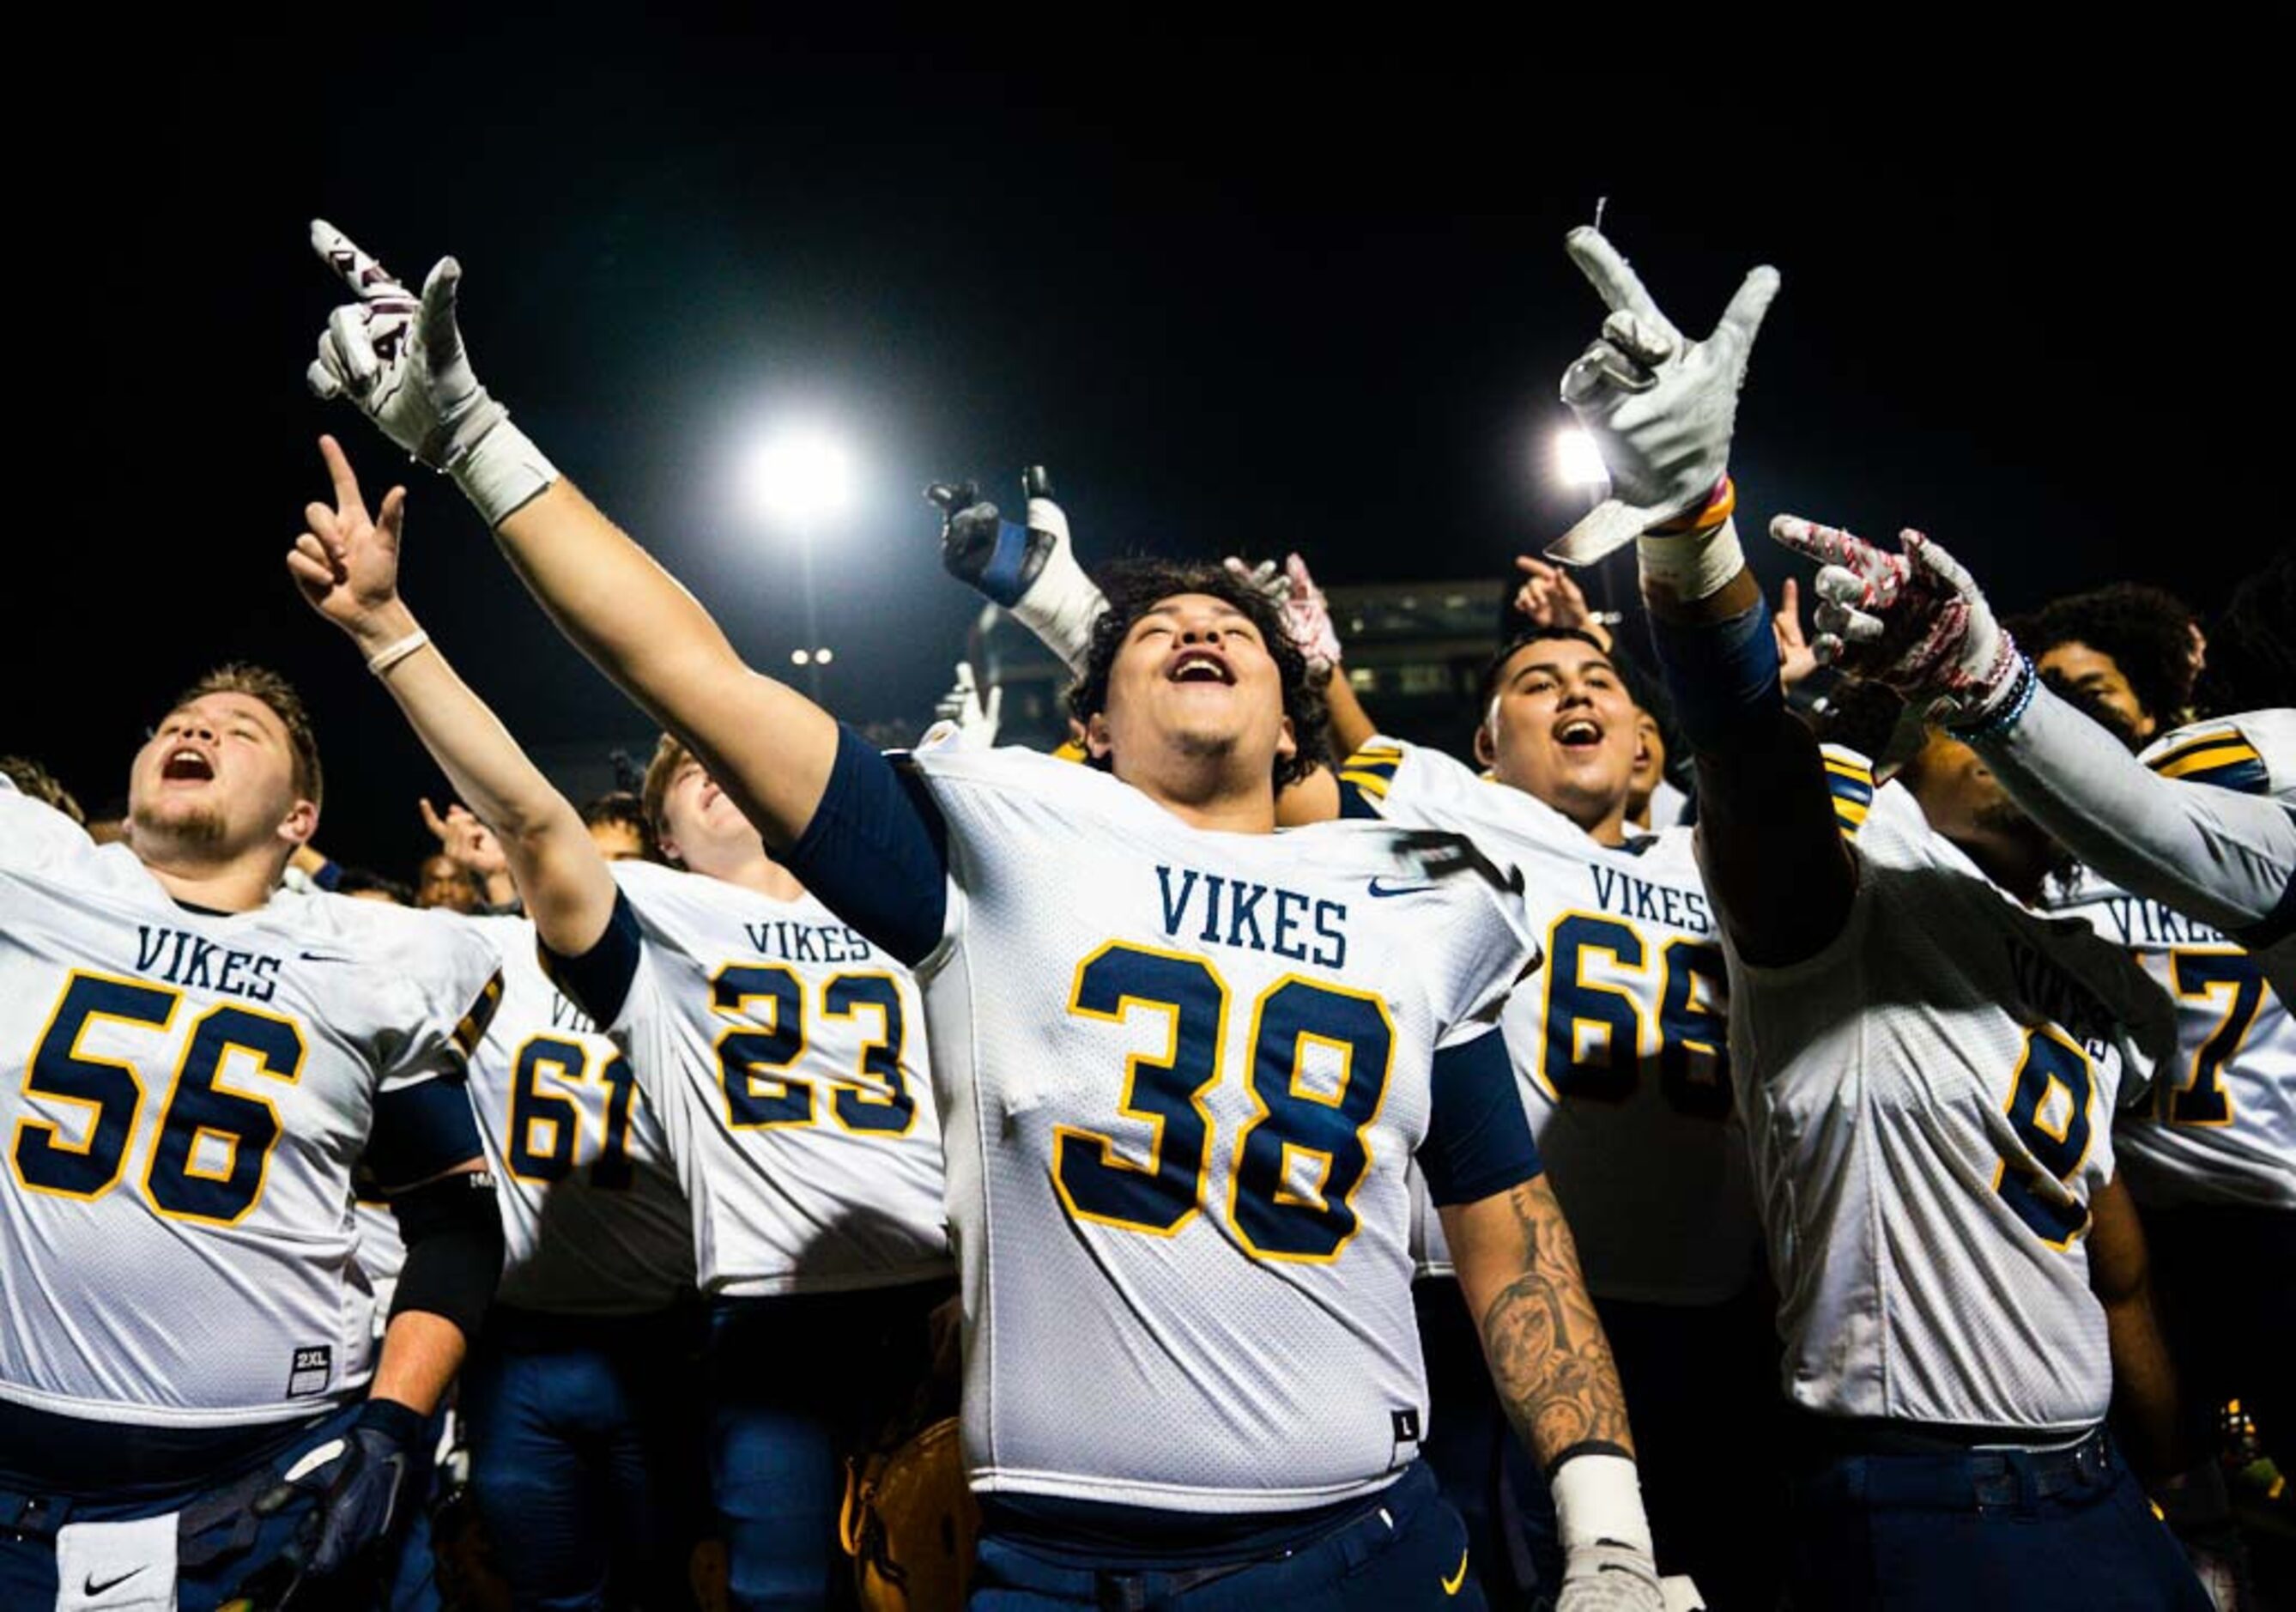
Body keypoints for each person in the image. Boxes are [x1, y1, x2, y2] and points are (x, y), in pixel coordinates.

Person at [306, 220, 1663, 1609]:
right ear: (1091, 713)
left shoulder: (1410, 893)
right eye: (1152, 628)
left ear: (1289, 703)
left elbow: (1512, 1228)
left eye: (1236, 628)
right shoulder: (1003, 837)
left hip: (1377, 1537)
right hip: (1068, 1564)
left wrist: (1607, 1521)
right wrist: (472, 435)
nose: (1200, 627)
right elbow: (685, 666)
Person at [1554, 221, 2208, 1608]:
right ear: (1913, 745)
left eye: (2091, 730)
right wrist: (1687, 515)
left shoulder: (2085, 952)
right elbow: (1747, 749)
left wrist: (2178, 1477)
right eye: (2022, 719)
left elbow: (2118, 1261)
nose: (2051, 745)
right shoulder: (1849, 906)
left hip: (2100, 1482)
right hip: (1924, 1495)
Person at [287, 435, 948, 1609]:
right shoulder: (655, 917)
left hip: (955, 1300)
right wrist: (390, 633)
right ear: (661, 831)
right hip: (765, 1318)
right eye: (682, 767)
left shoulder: (914, 887)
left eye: (728, 754)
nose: (712, 767)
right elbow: (536, 821)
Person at [0, 664, 506, 1610]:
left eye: (241, 730)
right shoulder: (29, 874)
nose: (196, 730)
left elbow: (456, 1224)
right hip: (17, 1489)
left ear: (299, 819)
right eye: (179, 721)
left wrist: (393, 1431)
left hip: (278, 1481)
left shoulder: (375, 960)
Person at [1767, 522, 2295, 999]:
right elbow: (2155, 817)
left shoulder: (2131, 1012)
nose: (2088, 714)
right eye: (2057, 700)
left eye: (2091, 695)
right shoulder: (1913, 846)